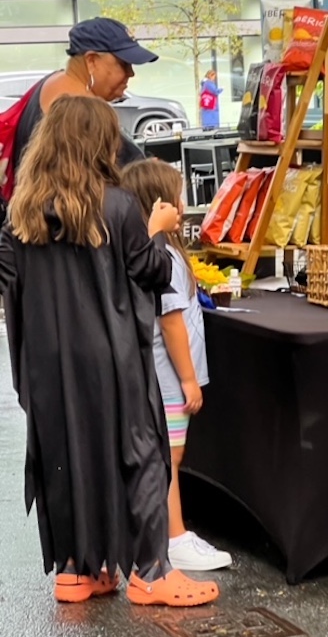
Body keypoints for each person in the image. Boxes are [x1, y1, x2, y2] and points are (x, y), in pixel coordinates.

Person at [0, 96, 219, 607]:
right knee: (139, 455)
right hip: (113, 359)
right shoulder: (117, 205)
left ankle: (78, 570)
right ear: (99, 142)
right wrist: (158, 231)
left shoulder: (21, 214)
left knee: (65, 456)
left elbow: (8, 281)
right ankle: (150, 572)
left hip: (48, 366)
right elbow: (150, 272)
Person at [121, 159, 233, 572]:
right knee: (170, 456)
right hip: (167, 378)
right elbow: (171, 324)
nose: (184, 204)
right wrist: (189, 379)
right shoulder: (161, 255)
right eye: (178, 195)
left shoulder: (152, 250)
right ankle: (174, 536)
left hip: (158, 376)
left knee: (165, 455)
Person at [13, 17, 158, 172]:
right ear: (91, 61)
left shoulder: (51, 84)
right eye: (124, 63)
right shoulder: (80, 111)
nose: (131, 73)